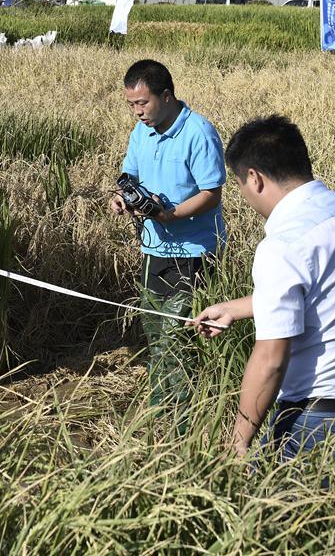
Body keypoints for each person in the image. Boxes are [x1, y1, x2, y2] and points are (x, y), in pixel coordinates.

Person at [191, 115, 335, 460]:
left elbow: (271, 360)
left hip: (321, 423)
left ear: (254, 178)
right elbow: (330, 292)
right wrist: (236, 308)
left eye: (239, 186)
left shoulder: (282, 244)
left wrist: (238, 443)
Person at [109, 59, 226, 431]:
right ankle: (162, 409)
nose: (137, 112)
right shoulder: (140, 133)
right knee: (156, 334)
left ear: (166, 95)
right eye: (131, 105)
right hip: (153, 251)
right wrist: (122, 198)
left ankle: (185, 421)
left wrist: (171, 215)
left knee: (179, 340)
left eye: (142, 103)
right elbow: (130, 176)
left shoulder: (198, 133)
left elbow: (211, 193)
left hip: (193, 253)